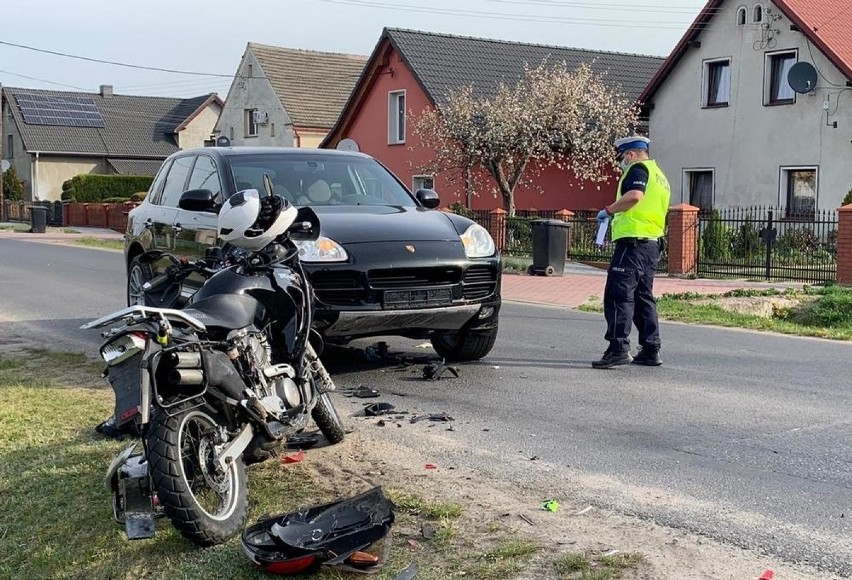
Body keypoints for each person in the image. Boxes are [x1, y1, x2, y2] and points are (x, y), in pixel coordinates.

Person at [592, 136, 671, 369]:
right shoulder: (660, 175)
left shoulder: (638, 169)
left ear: (630, 154)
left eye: (621, 157)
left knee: (618, 295)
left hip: (633, 244)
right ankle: (650, 349)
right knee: (643, 296)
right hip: (652, 244)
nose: (620, 163)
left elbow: (635, 196)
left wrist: (609, 210)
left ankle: (618, 349)